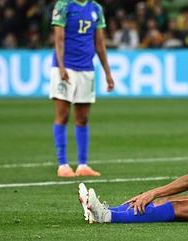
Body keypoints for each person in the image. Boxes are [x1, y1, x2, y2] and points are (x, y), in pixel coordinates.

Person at [50, 0, 115, 177]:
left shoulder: (96, 8)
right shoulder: (63, 6)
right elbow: (59, 38)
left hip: (86, 68)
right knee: (62, 116)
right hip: (65, 68)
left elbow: (99, 43)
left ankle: (82, 165)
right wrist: (62, 67)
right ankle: (62, 164)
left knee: (82, 118)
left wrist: (107, 72)